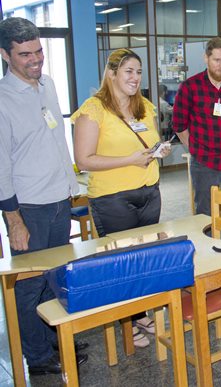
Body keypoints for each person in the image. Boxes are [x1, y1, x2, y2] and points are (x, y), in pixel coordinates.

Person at [0, 17, 88, 374]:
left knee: (54, 276)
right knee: (28, 285)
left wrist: (72, 188)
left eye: (38, 51)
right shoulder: (3, 101)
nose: (35, 60)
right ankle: (36, 357)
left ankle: (54, 338)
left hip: (58, 200)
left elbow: (54, 139)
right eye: (25, 55)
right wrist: (14, 220)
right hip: (29, 208)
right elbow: (1, 166)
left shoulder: (47, 84)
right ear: (6, 55)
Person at [72, 48, 170, 347]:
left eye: (138, 72)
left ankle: (138, 313)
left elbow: (149, 144)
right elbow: (84, 159)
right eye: (128, 71)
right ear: (111, 73)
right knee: (122, 261)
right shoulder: (94, 109)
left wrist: (157, 152)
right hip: (113, 198)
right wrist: (129, 159)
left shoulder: (145, 107)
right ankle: (127, 321)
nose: (135, 77)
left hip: (148, 192)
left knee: (143, 259)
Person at [172, 37, 221, 216]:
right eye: (216, 60)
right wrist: (194, 149)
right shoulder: (190, 87)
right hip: (203, 161)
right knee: (204, 213)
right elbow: (179, 124)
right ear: (206, 58)